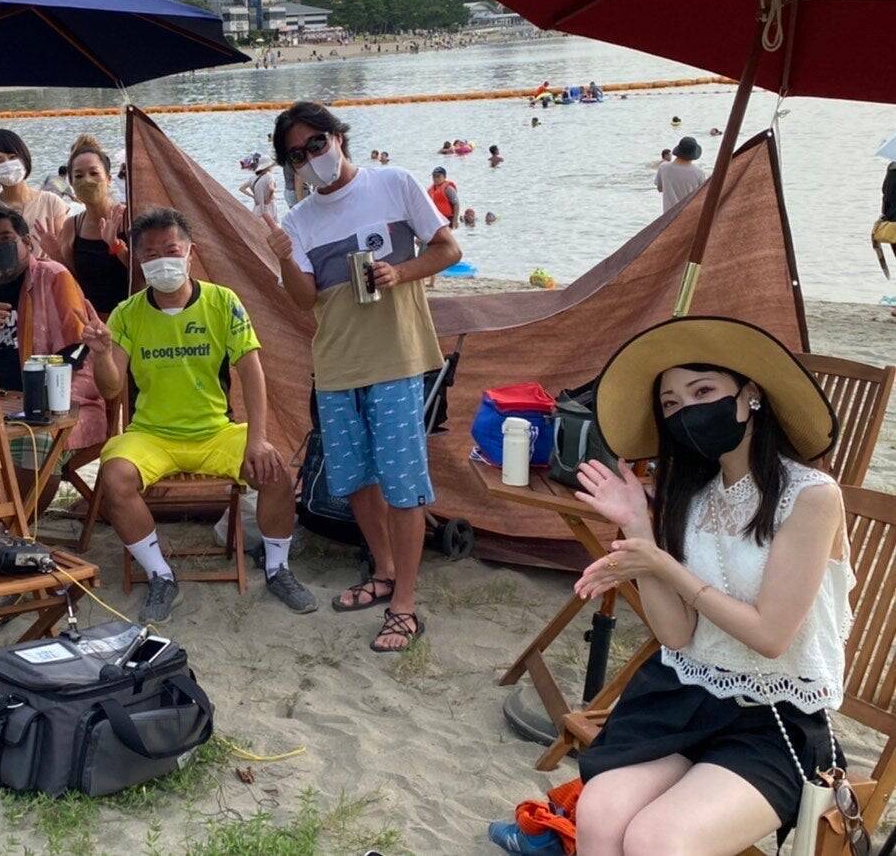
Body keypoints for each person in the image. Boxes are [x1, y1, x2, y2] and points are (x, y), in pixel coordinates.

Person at [489, 317, 849, 856]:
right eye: (673, 405)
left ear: (750, 394)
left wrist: (662, 563)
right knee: (600, 811)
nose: (688, 412)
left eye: (703, 392)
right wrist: (638, 527)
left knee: (658, 839)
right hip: (686, 698)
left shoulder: (809, 496)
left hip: (775, 716)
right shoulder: (693, 495)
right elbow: (677, 635)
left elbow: (771, 636)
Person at [266, 102, 460, 652]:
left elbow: (449, 249)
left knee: (403, 484)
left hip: (396, 359)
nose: (311, 158)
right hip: (335, 366)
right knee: (354, 482)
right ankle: (384, 570)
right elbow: (303, 299)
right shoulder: (298, 221)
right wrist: (283, 255)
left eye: (317, 143)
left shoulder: (394, 184)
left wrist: (402, 271)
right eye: (297, 155)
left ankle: (405, 606)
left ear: (338, 137)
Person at [84, 207, 317, 624]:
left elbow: (252, 372)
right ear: (137, 260)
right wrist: (101, 355)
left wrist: (258, 438)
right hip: (152, 434)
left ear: (191, 251)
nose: (162, 261)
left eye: (171, 249)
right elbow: (111, 388)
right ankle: (160, 574)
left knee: (276, 470)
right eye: (150, 254)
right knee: (114, 477)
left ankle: (278, 568)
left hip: (215, 431)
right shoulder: (127, 314)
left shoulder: (222, 302)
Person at [0, 206, 109, 489]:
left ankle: (16, 517)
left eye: (6, 238)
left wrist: (30, 397)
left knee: (34, 443)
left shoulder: (53, 277)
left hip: (53, 404)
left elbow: (75, 350)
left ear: (26, 242)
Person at [52, 136, 129, 318]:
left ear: (108, 179)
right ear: (72, 184)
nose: (87, 180)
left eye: (94, 173)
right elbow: (73, 282)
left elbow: (143, 274)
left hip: (131, 320)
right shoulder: (72, 225)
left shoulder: (127, 218)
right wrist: (55, 255)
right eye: (79, 176)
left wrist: (116, 246)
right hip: (93, 322)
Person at [0, 130, 68, 266]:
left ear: (24, 158)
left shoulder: (52, 203)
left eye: (12, 157)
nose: (7, 164)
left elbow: (67, 260)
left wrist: (54, 252)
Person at [656, 136, 706, 213]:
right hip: (688, 215)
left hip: (668, 217)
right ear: (694, 154)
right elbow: (701, 197)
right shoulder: (699, 173)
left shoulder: (663, 167)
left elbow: (660, 188)